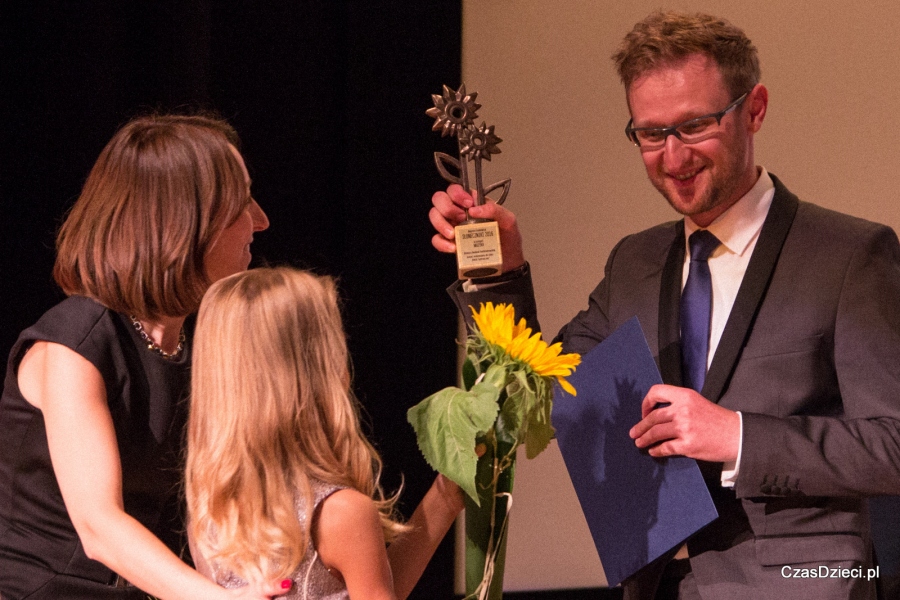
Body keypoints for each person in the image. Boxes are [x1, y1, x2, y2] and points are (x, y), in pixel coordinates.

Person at [429, 10, 900, 600]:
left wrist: (736, 435)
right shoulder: (635, 262)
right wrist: (501, 274)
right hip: (654, 584)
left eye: (695, 125)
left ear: (754, 109)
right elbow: (538, 393)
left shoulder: (850, 255)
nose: (673, 158)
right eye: (651, 134)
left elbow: (893, 444)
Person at [0, 114, 286, 599]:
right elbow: (99, 526)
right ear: (183, 222)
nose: (260, 220)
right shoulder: (74, 341)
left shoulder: (197, 344)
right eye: (242, 202)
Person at [185, 267, 464, 600]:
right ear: (317, 371)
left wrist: (443, 499)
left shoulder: (210, 516)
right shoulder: (341, 512)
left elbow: (377, 585)